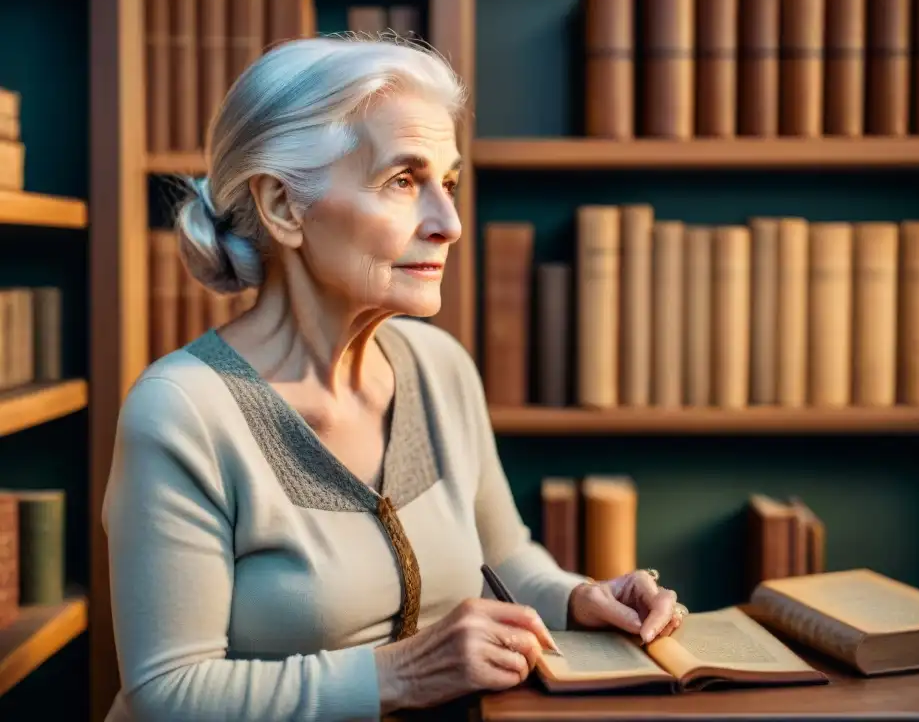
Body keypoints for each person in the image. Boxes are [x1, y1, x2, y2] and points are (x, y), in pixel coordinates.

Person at [102, 35, 686, 721]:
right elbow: (166, 694)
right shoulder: (181, 412)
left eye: (450, 182)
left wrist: (577, 598)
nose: (450, 224)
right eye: (404, 181)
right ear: (284, 208)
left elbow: (502, 557)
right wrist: (399, 675)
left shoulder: (439, 367)